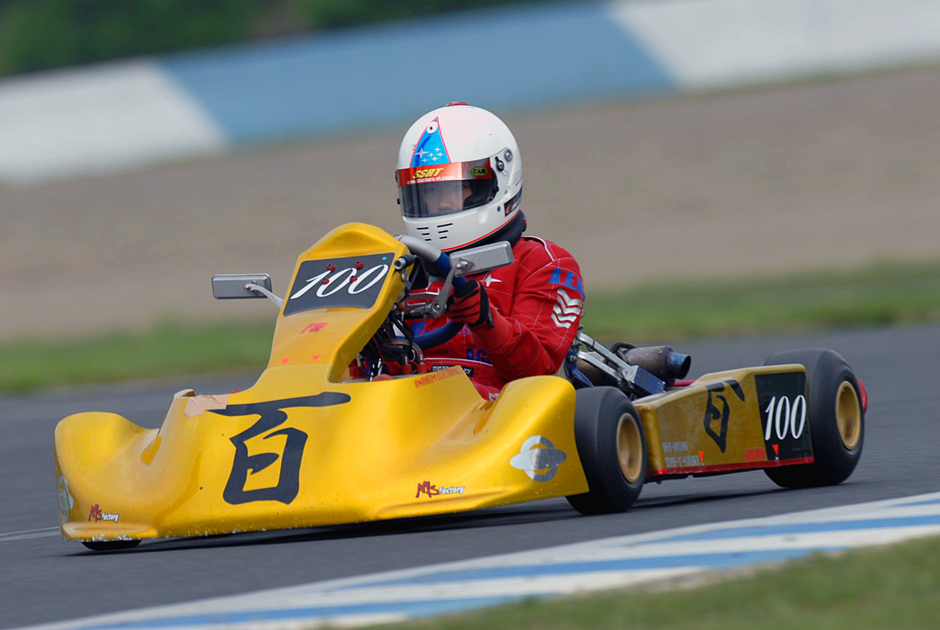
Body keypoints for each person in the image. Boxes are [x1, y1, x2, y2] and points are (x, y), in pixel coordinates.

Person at [395, 103, 585, 399]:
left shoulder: (543, 263)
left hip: (500, 409)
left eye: (456, 189)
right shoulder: (399, 270)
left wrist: (487, 321)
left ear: (494, 185)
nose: (441, 203)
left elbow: (536, 371)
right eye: (429, 192)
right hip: (405, 402)